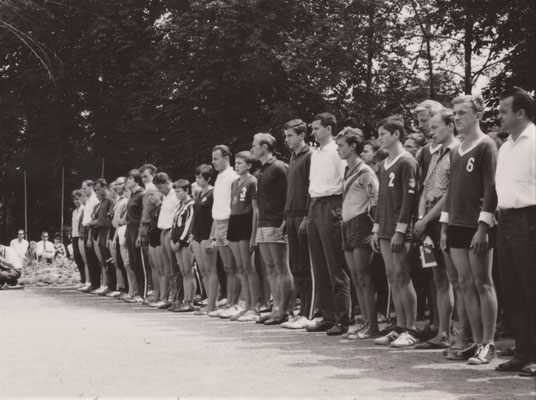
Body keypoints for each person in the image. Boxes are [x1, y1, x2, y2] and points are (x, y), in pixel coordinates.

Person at [440, 94, 498, 365]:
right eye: (455, 113)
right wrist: (444, 224)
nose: (457, 118)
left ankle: (489, 343)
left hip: (477, 226)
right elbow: (451, 191)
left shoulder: (487, 146)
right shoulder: (455, 150)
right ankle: (475, 341)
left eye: (462, 113)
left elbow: (491, 187)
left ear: (478, 115)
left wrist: (483, 226)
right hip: (455, 225)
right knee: (463, 284)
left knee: (482, 283)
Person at [494, 87, 536, 376]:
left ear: (520, 113)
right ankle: (523, 352)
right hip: (506, 220)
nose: (498, 116)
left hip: (529, 220)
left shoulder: (534, 142)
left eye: (503, 111)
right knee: (512, 291)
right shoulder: (506, 146)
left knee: (532, 289)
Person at [413, 109, 461, 351]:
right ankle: (442, 331)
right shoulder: (434, 154)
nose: (430, 132)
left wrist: (428, 218)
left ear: (450, 126)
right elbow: (425, 189)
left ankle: (459, 333)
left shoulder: (457, 152)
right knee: (438, 277)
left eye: (435, 128)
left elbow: (449, 193)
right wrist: (421, 218)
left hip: (444, 220)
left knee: (455, 278)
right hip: (428, 223)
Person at [372, 115, 420, 347]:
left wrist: (401, 230)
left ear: (396, 135)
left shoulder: (407, 162)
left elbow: (409, 200)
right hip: (384, 229)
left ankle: (411, 329)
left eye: (383, 134)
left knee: (402, 276)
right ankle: (399, 326)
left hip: (400, 230)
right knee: (392, 277)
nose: (379, 138)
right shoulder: (383, 164)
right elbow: (382, 199)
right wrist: (376, 228)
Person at [305, 112, 351, 336]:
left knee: (335, 265)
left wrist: (339, 210)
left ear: (328, 129)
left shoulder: (336, 151)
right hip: (315, 205)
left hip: (331, 204)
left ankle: (343, 318)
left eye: (316, 128)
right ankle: (327, 315)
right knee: (319, 266)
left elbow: (344, 180)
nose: (313, 132)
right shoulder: (316, 153)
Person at [336, 127, 380, 339]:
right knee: (355, 277)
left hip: (362, 224)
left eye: (341, 146)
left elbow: (376, 200)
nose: (338, 150)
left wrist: (374, 229)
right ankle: (364, 323)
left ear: (353, 146)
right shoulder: (348, 170)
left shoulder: (365, 172)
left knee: (364, 277)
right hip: (347, 225)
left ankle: (372, 325)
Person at [251, 133, 293, 325]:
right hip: (263, 224)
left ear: (265, 147)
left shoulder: (279, 167)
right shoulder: (262, 170)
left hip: (276, 222)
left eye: (255, 145)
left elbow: (289, 194)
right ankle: (275, 307)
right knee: (270, 268)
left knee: (281, 267)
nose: (252, 149)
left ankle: (284, 310)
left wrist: (285, 218)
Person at [281, 119, 316, 329]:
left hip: (303, 215)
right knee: (295, 265)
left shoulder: (310, 155)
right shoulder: (292, 157)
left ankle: (308, 312)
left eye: (290, 136)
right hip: (290, 215)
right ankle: (300, 309)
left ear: (302, 135)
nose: (286, 140)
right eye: (285, 136)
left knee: (305, 264)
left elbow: (312, 188)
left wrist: (306, 216)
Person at [225, 151, 261, 322]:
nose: (236, 165)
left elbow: (256, 210)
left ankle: (254, 307)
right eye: (235, 162)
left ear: (249, 165)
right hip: (234, 221)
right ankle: (246, 306)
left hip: (246, 223)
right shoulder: (234, 183)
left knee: (249, 267)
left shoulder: (253, 181)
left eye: (240, 163)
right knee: (240, 267)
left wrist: (254, 235)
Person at [210, 145, 240, 316]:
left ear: (226, 158)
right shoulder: (219, 177)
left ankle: (237, 303)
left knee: (235, 266)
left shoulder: (233, 177)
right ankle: (230, 302)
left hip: (229, 223)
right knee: (228, 267)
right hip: (219, 222)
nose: (213, 162)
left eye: (216, 158)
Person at [189, 165, 218, 315]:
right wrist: (192, 234)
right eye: (196, 177)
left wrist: (212, 237)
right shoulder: (199, 194)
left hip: (208, 234)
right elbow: (196, 215)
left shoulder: (214, 193)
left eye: (200, 177)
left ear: (208, 178)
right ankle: (208, 301)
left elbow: (215, 217)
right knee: (202, 270)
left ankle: (213, 304)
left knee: (210, 269)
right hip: (198, 235)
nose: (197, 180)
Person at [154, 172, 181, 309]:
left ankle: (177, 298)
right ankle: (171, 296)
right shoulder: (165, 196)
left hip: (170, 230)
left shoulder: (175, 196)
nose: (160, 191)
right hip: (163, 231)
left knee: (173, 267)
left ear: (167, 183)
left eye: (161, 187)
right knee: (167, 268)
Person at [170, 179, 196, 312]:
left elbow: (188, 226)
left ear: (187, 190)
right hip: (175, 241)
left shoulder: (191, 205)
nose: (177, 194)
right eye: (175, 192)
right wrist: (171, 239)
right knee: (183, 272)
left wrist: (180, 242)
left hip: (184, 242)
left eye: (179, 191)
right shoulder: (180, 205)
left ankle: (189, 301)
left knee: (188, 271)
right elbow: (174, 224)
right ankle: (184, 300)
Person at [88, 179, 115, 295]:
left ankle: (112, 286)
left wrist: (92, 223)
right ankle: (107, 285)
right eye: (95, 190)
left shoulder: (109, 201)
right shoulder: (101, 202)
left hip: (107, 232)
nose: (97, 192)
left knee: (109, 260)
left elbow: (105, 220)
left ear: (105, 188)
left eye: (99, 189)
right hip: (100, 234)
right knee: (104, 260)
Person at [124, 169, 146, 303]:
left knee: (139, 262)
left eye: (130, 178)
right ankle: (136, 291)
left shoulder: (141, 194)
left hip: (137, 228)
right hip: (129, 228)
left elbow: (143, 216)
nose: (127, 181)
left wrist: (140, 234)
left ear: (136, 180)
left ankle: (142, 293)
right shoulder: (132, 195)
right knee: (132, 262)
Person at [139, 164, 158, 302]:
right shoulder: (147, 190)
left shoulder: (152, 189)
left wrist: (141, 232)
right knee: (150, 263)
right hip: (147, 226)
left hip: (151, 226)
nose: (144, 179)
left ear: (153, 174)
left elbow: (146, 215)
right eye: (142, 177)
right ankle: (154, 291)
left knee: (152, 263)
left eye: (146, 176)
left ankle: (152, 292)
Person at [108, 178, 129, 298]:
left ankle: (125, 288)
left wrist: (115, 236)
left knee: (123, 262)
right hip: (116, 231)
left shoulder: (125, 200)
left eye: (120, 184)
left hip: (121, 231)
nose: (117, 187)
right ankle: (121, 287)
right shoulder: (119, 200)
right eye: (115, 184)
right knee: (118, 262)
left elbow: (121, 220)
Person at [146, 188, 166, 308]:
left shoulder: (162, 207)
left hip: (159, 239)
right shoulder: (152, 209)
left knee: (161, 269)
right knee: (154, 268)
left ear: (159, 193)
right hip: (152, 239)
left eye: (153, 194)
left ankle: (163, 296)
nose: (151, 197)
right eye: (149, 195)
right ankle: (156, 294)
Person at [80, 179, 101, 291]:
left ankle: (96, 283)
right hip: (86, 228)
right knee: (89, 258)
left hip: (92, 228)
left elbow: (94, 218)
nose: (82, 191)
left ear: (90, 187)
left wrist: (89, 236)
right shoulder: (88, 200)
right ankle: (92, 283)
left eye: (84, 188)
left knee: (93, 257)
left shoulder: (95, 200)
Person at [70, 191, 86, 287]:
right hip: (74, 236)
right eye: (74, 199)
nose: (76, 201)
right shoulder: (74, 212)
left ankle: (85, 280)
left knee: (82, 257)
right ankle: (82, 278)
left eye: (77, 199)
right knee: (77, 258)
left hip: (81, 236)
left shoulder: (84, 209)